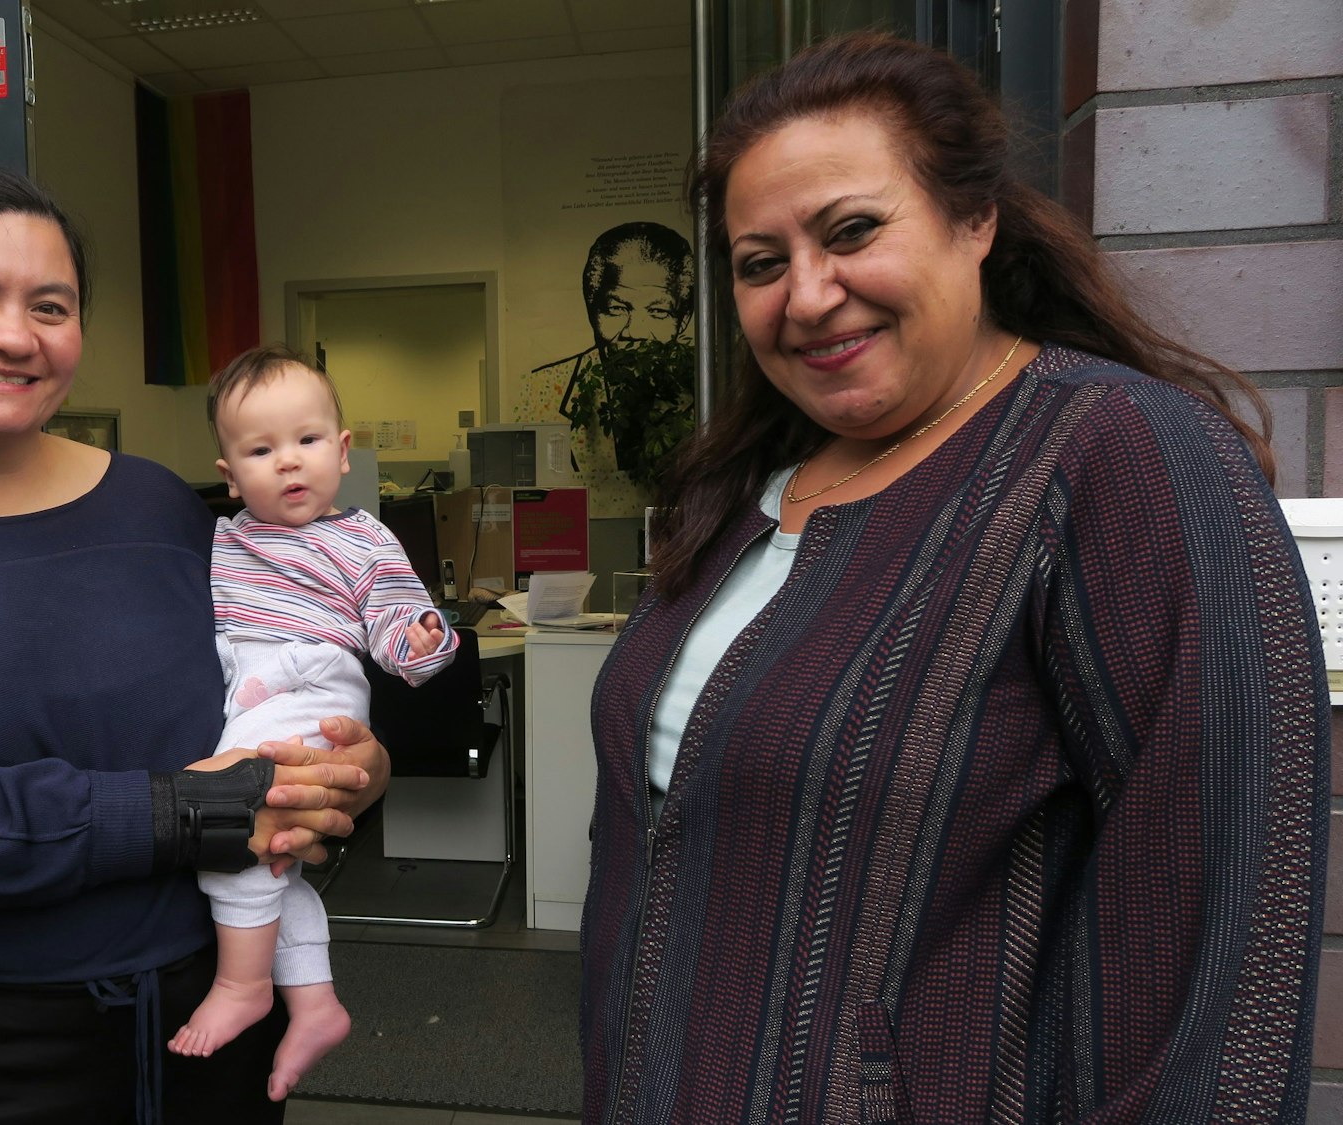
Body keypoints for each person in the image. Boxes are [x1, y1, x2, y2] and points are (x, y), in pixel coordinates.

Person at [579, 33, 1326, 1124]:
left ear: (973, 221)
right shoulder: (749, 486)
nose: (807, 294)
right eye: (759, 262)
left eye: (851, 232)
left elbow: (1222, 938)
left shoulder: (1114, 455)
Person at [0, 167, 390, 1124]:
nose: (13, 334)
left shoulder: (161, 507)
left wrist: (346, 774)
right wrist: (184, 811)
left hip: (218, 1042)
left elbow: (279, 679)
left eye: (50, 305)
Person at [169, 344, 457, 1098]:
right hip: (250, 686)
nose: (288, 463)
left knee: (226, 822)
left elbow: (396, 622)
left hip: (311, 678)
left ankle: (243, 987)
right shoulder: (227, 538)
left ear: (341, 448)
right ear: (230, 474)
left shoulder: (362, 539)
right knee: (276, 855)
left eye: (305, 441)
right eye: (261, 450)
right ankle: (315, 999)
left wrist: (420, 639)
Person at [530, 220, 696, 421]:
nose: (634, 331)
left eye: (658, 311)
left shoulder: (705, 392)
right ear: (592, 310)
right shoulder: (539, 392)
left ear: (684, 319)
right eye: (617, 308)